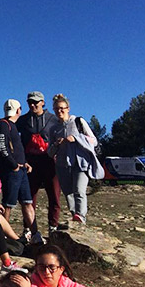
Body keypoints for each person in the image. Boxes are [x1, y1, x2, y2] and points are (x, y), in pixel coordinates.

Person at [48, 94, 105, 226]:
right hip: (62, 165)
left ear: (68, 108)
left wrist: (77, 138)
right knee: (68, 193)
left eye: (62, 108)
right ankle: (75, 216)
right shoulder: (53, 129)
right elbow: (49, 152)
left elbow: (94, 141)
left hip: (81, 163)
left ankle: (81, 216)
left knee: (79, 190)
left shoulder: (78, 122)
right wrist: (56, 144)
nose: (59, 111)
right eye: (56, 109)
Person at [0, 99, 41, 244]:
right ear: (19, 110)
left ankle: (35, 234)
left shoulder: (10, 125)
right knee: (8, 204)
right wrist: (14, 165)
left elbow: (13, 148)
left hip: (20, 170)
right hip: (11, 171)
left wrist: (23, 163)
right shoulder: (3, 125)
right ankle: (4, 235)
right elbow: (3, 148)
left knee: (27, 202)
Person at [18, 91, 63, 231]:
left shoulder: (53, 119)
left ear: (43, 102)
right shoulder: (23, 120)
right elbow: (15, 139)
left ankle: (53, 227)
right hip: (31, 163)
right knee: (29, 197)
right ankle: (29, 229)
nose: (32, 105)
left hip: (50, 161)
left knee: (54, 196)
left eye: (36, 102)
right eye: (30, 102)